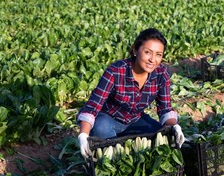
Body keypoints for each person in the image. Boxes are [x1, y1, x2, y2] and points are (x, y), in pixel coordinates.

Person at [76, 28, 185, 159]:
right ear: (135, 50)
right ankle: (112, 151)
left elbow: (165, 109)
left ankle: (123, 146)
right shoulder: (115, 71)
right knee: (101, 129)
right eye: (147, 52)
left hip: (135, 119)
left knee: (162, 135)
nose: (152, 59)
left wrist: (175, 126)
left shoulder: (161, 74)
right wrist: (83, 135)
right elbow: (92, 107)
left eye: (158, 54)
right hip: (108, 119)